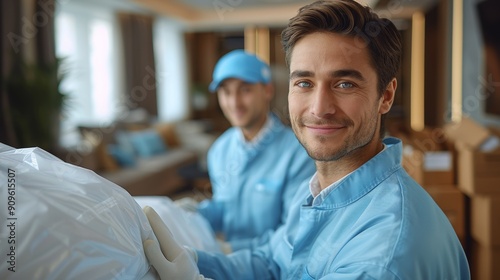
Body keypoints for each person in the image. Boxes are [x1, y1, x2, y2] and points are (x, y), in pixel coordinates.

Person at [143, 0, 471, 279]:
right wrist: (194, 262)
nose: (319, 109)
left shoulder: (380, 257)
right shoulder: (319, 188)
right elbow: (273, 262)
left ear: (385, 96)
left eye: (344, 84)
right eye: (304, 83)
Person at [176, 49, 316, 253]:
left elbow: (292, 233)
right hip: (231, 266)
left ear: (267, 91)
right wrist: (195, 213)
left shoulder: (298, 154)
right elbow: (225, 208)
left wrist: (232, 249)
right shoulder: (219, 150)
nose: (234, 103)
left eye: (245, 90)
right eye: (226, 92)